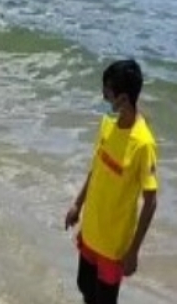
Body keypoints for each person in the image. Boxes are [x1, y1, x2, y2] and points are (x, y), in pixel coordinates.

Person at [65, 59, 158, 304]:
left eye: (107, 92)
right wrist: (77, 205)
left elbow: (151, 201)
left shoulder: (143, 144)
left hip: (114, 246)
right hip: (91, 231)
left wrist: (134, 251)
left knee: (104, 300)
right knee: (84, 287)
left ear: (123, 98)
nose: (103, 96)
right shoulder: (107, 124)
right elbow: (95, 169)